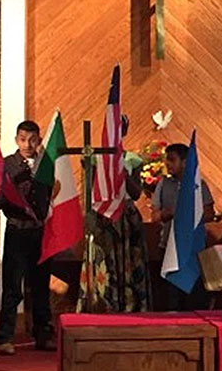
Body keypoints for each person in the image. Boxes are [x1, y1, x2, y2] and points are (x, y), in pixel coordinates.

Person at [0, 121, 54, 354]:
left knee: (40, 284)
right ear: (16, 139)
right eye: (22, 139)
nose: (27, 144)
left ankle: (42, 333)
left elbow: (52, 193)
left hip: (40, 229)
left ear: (39, 140)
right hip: (17, 229)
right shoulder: (8, 164)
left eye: (32, 139)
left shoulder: (45, 163)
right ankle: (5, 336)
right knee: (12, 284)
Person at [84, 115, 150, 312]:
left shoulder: (132, 160)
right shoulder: (94, 157)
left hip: (126, 215)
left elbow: (137, 193)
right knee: (104, 260)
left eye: (121, 128)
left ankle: (130, 303)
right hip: (103, 215)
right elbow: (90, 190)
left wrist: (123, 173)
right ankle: (103, 302)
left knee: (128, 259)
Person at [152, 142, 215, 310]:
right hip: (169, 246)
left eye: (172, 160)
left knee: (195, 295)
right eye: (167, 160)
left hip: (194, 248)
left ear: (185, 162)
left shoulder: (198, 185)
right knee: (172, 296)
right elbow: (155, 216)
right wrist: (169, 213)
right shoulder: (163, 184)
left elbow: (210, 214)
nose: (168, 164)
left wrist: (189, 213)